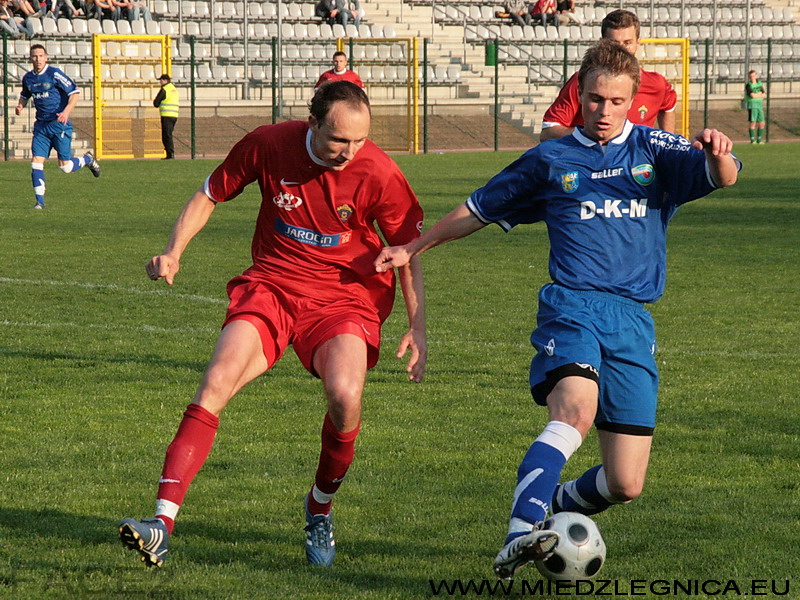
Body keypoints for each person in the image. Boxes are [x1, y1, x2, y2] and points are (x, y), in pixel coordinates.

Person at [374, 39, 739, 579]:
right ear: (580, 93)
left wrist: (717, 151)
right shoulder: (551, 159)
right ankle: (520, 534)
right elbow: (475, 210)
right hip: (572, 307)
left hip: (633, 321)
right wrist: (414, 247)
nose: (605, 112)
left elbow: (724, 175)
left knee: (625, 484)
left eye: (616, 101)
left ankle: (553, 505)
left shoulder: (658, 150)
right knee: (574, 411)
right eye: (594, 100)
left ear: (633, 99)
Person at [118, 81, 427, 569]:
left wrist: (418, 326)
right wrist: (174, 251)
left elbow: (408, 253)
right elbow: (208, 194)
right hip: (273, 287)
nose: (350, 153)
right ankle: (161, 523)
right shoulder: (268, 145)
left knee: (346, 397)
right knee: (215, 382)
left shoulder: (380, 172)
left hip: (345, 300)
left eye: (360, 141)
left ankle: (319, 509)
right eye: (339, 141)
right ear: (313, 123)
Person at [540, 9, 677, 141]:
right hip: (590, 162)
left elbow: (668, 106)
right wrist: (588, 137)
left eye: (628, 42)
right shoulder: (585, 80)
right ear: (603, 43)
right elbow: (548, 132)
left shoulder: (656, 83)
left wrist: (665, 146)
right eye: (614, 43)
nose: (622, 49)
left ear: (638, 42)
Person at [15, 44, 101, 210]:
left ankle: (87, 159)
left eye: (41, 55)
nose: (38, 59)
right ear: (30, 58)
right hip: (41, 126)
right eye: (34, 56)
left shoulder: (54, 73)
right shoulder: (28, 78)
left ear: (46, 57)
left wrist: (66, 112)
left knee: (66, 167)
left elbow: (74, 93)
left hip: (59, 125)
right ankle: (40, 202)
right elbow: (25, 95)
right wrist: (20, 106)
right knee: (36, 162)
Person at [152, 73, 179, 159]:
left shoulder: (165, 89)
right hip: (174, 115)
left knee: (166, 135)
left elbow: (156, 103)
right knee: (169, 134)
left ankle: (170, 154)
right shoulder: (174, 89)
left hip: (166, 115)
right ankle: (170, 154)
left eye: (161, 80)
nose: (160, 82)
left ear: (165, 81)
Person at [745, 69, 766, 144]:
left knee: (762, 122)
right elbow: (752, 95)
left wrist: (758, 95)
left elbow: (764, 95)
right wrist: (759, 94)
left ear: (756, 76)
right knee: (753, 122)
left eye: (753, 76)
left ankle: (759, 140)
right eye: (750, 76)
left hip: (759, 105)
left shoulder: (759, 84)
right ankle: (752, 140)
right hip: (752, 105)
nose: (752, 77)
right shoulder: (748, 85)